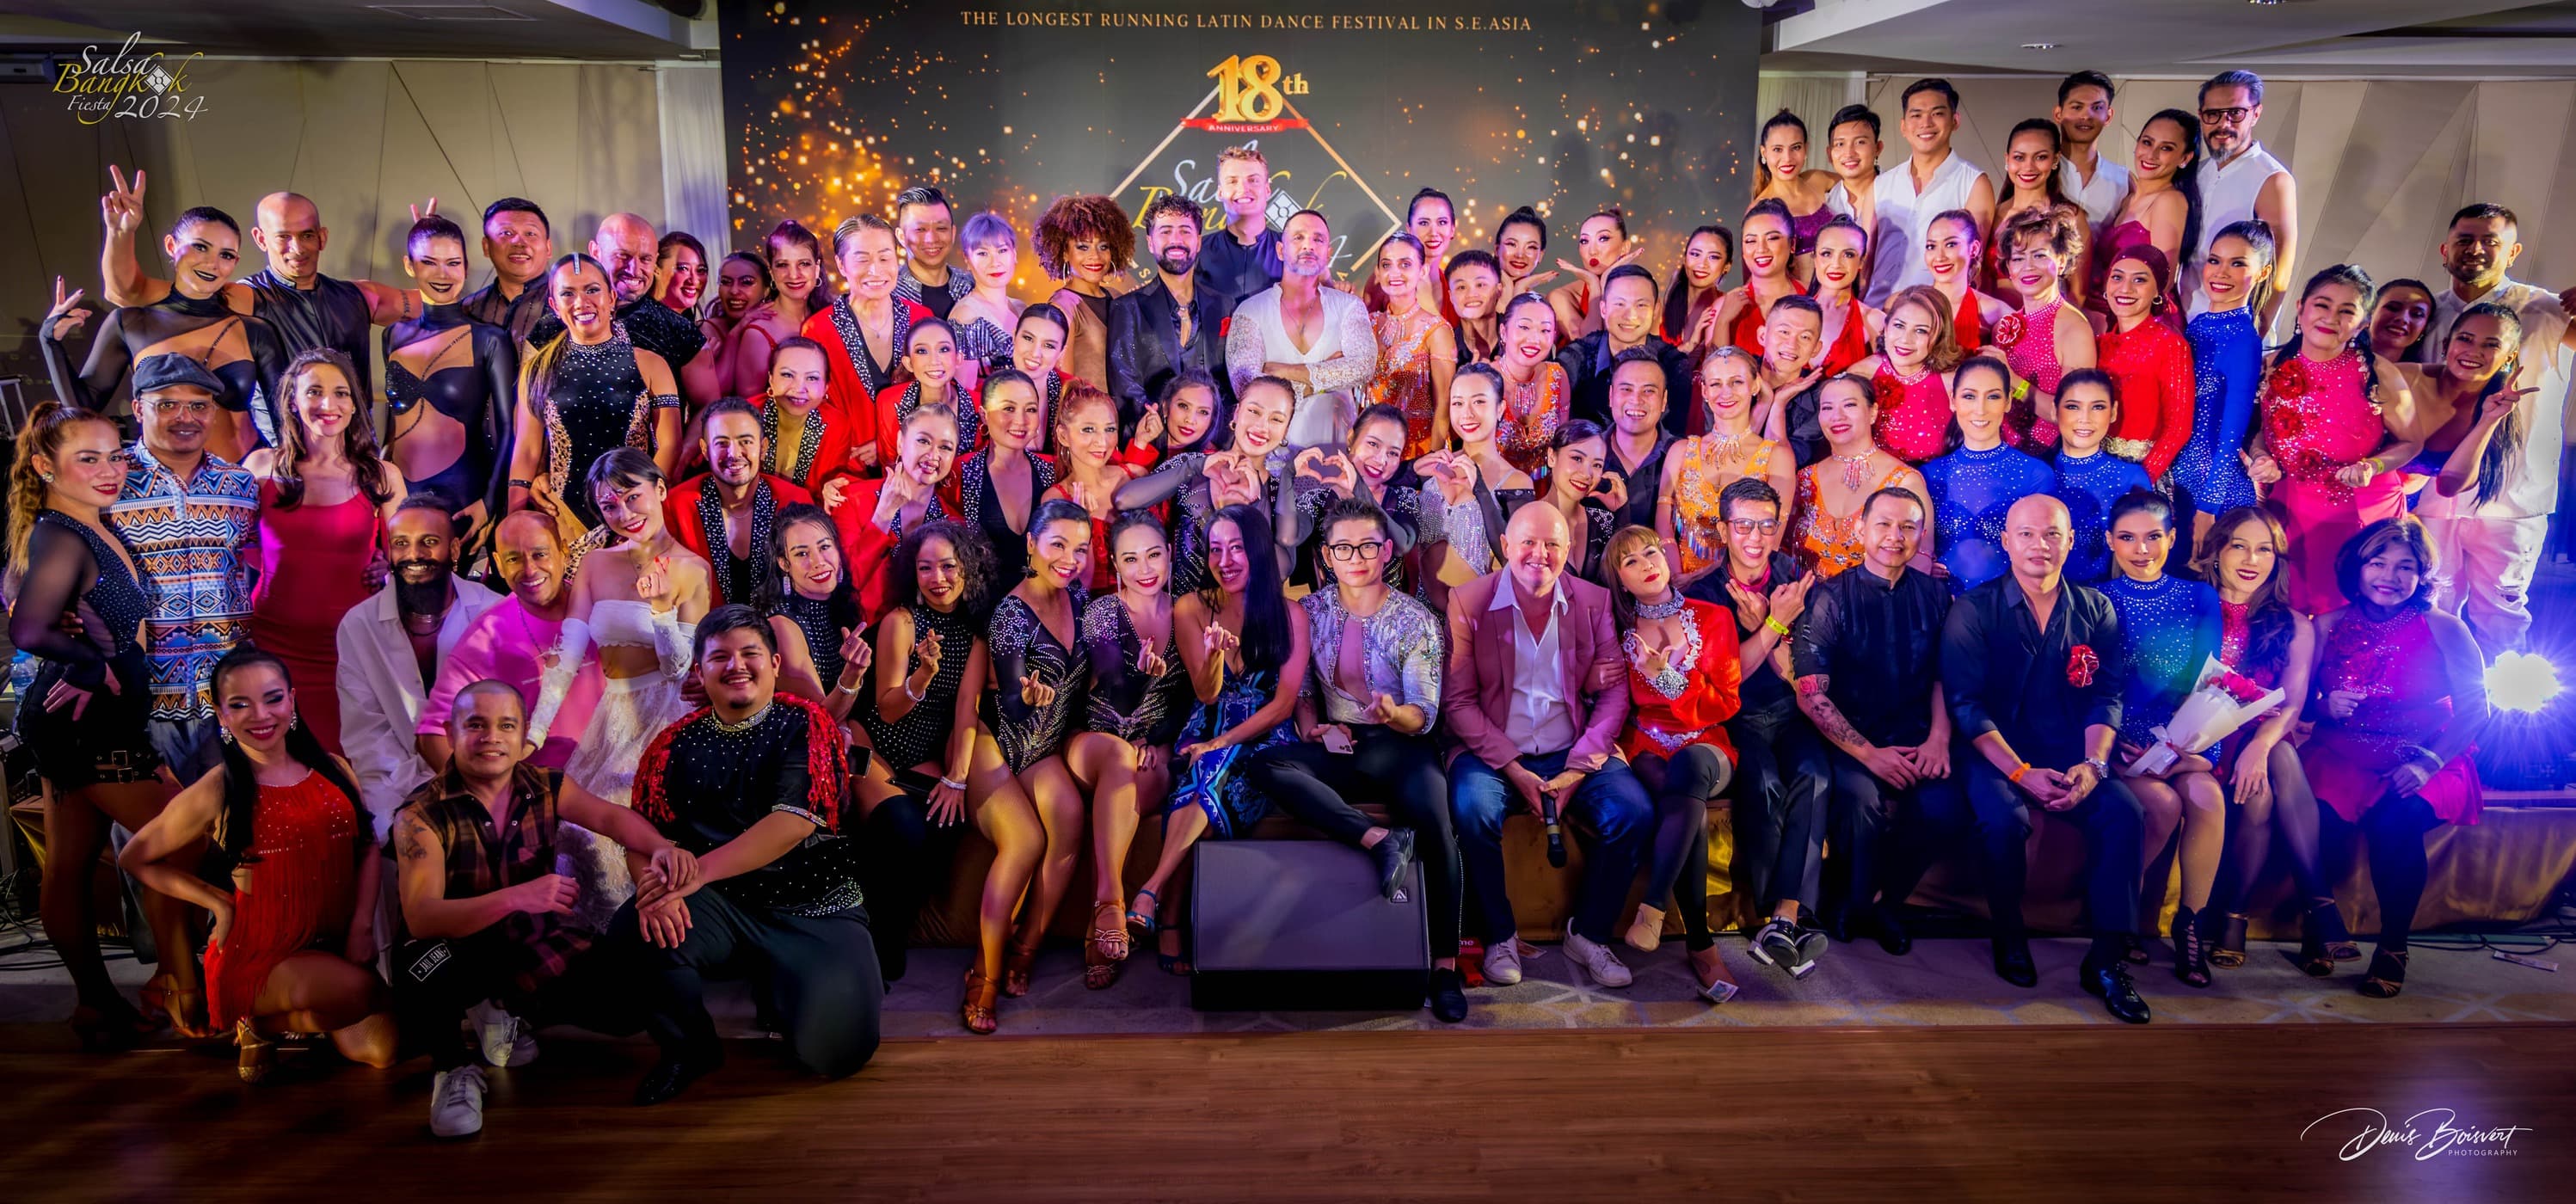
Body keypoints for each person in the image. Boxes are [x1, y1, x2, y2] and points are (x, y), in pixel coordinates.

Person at [611, 606, 882, 1103]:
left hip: (811, 909)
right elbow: (641, 834)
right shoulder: (671, 744)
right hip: (721, 906)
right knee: (636, 926)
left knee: (836, 1055)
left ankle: (785, 985)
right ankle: (690, 1049)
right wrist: (654, 890)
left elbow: (793, 821)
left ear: (775, 664)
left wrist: (694, 876)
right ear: (699, 672)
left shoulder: (806, 722)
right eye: (720, 657)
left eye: (750, 653)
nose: (736, 665)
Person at [388, 680, 678, 1137]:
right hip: (454, 947)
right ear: (450, 732)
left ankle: (503, 1008)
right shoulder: (420, 815)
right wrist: (519, 896)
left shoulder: (545, 786)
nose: (492, 738)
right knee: (418, 969)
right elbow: (423, 916)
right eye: (476, 725)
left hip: (526, 939)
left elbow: (610, 818)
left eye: (506, 726)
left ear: (525, 738)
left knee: (626, 1010)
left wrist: (661, 849)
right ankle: (453, 1069)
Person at [8, 402, 200, 1047]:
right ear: (45, 466)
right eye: (87, 458)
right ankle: (174, 985)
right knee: (182, 838)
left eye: (115, 454)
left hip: (96, 720)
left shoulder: (94, 525)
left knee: (68, 864)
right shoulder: (60, 532)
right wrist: (91, 665)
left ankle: (95, 1004)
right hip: (84, 725)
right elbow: (28, 626)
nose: (110, 469)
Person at [119, 649, 400, 1080]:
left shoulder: (333, 768)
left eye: (272, 699)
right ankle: (254, 1019)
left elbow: (365, 848)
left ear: (292, 699)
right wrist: (218, 903)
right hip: (259, 953)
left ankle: (292, 1013)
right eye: (240, 704)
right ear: (222, 714)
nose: (261, 715)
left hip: (332, 941)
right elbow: (135, 856)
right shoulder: (218, 788)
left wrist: (363, 925)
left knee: (385, 1052)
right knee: (359, 993)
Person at [1244, 498, 1467, 1020]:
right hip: (1342, 744)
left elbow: (1425, 714)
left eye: (1368, 545)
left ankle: (1446, 968)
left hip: (1402, 745)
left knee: (1437, 825)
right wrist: (1314, 727)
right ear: (1326, 556)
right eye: (1344, 548)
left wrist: (1393, 712)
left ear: (1387, 550)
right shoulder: (1312, 610)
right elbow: (1297, 691)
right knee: (1266, 765)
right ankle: (1378, 840)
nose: (1357, 557)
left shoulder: (1415, 620)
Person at [1938, 495, 2150, 1023]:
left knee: (2125, 813)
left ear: (2071, 541)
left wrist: (2094, 765)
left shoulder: (2095, 609)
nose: (2040, 546)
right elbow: (1965, 706)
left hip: (2069, 754)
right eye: (2027, 535)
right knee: (2005, 821)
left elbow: (2107, 695)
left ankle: (2105, 958)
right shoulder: (1973, 609)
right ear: (2006, 542)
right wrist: (2020, 773)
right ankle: (2008, 933)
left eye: (2052, 534)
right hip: (1994, 755)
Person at [1445, 501, 1653, 989]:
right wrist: (1515, 768)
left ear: (1567, 550)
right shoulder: (1468, 601)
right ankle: (1498, 934)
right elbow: (1458, 702)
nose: (1540, 554)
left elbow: (1615, 692)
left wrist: (1578, 770)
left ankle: (1590, 933)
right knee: (1471, 808)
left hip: (1572, 746)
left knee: (1634, 811)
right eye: (1529, 543)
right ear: (1506, 548)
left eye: (1553, 544)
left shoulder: (1593, 600)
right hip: (1494, 749)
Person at [853, 522, 1039, 1018]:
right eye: (926, 567)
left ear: (968, 570)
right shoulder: (902, 621)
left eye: (949, 566)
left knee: (943, 820)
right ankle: (875, 948)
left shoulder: (976, 633)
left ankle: (883, 930)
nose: (938, 577)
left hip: (926, 752)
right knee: (903, 826)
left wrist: (957, 778)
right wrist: (923, 674)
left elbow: (966, 709)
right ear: (912, 574)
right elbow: (888, 709)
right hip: (875, 742)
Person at [2301, 519, 2490, 999]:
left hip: (2431, 753)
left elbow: (2476, 710)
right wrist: (2325, 706)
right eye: (2378, 563)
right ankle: (2317, 926)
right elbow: (2300, 703)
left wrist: (2428, 762)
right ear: (2357, 568)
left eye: (2406, 567)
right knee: (2312, 817)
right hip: (2345, 752)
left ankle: (2392, 946)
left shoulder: (2445, 627)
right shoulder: (2326, 625)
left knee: (2395, 822)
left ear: (2423, 574)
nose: (2390, 576)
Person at [527, 449, 715, 931]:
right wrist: (533, 732)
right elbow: (568, 654)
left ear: (660, 489)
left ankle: (651, 937)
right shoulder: (593, 563)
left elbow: (679, 668)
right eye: (610, 506)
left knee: (640, 826)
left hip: (666, 715)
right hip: (612, 715)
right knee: (577, 830)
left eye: (633, 497)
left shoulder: (692, 568)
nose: (625, 514)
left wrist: (659, 610)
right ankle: (596, 944)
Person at [1129, 505, 1310, 974]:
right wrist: (1212, 658)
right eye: (1215, 549)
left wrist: (1225, 740)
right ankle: (1164, 911)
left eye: (1236, 548)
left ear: (1257, 551)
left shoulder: (1291, 614)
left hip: (1263, 739)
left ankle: (1156, 896)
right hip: (1205, 727)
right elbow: (1205, 693)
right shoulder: (1191, 607)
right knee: (1200, 775)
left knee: (1209, 774)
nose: (1225, 559)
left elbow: (1283, 704)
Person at [1792, 485, 1956, 958]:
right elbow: (1811, 696)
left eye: (1908, 526)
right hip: (1851, 741)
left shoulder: (1937, 596)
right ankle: (1855, 901)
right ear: (1860, 529)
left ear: (1922, 535)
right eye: (1883, 524)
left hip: (1918, 737)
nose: (1894, 536)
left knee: (1945, 808)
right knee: (1861, 800)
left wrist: (1939, 739)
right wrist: (1869, 754)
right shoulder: (1829, 598)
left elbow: (1948, 675)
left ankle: (1890, 902)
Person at [2409, 203, 2576, 654]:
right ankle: (2439, 713)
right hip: (2430, 494)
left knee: (2501, 618)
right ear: (2446, 249)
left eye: (2491, 241)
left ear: (2513, 252)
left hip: (2513, 497)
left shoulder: (2545, 310)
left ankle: (2499, 720)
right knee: (2428, 612)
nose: (2476, 249)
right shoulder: (2421, 312)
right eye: (2466, 239)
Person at [2193, 507, 2352, 974]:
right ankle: (2319, 907)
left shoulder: (2294, 624)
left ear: (2277, 559)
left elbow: (2293, 703)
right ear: (2217, 550)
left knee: (2267, 778)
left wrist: (2260, 747)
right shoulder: (2190, 604)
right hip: (2197, 738)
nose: (2250, 558)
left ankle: (2235, 918)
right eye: (2238, 545)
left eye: (2264, 548)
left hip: (2261, 737)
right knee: (2269, 778)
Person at [1683, 478, 1827, 969]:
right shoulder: (1703, 592)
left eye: (1767, 524)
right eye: (1743, 524)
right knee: (1763, 782)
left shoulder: (1798, 581)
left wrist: (1772, 627)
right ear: (1724, 529)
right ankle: (1772, 915)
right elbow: (1729, 678)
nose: (1755, 536)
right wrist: (1771, 624)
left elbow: (1805, 672)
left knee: (1815, 774)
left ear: (1780, 527)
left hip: (1791, 712)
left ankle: (1785, 917)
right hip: (1735, 718)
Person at [98, 186, 409, 408]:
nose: (297, 249)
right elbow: (126, 291)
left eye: (306, 236)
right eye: (284, 238)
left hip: (357, 450)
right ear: (261, 239)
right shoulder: (243, 297)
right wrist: (121, 233)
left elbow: (441, 303)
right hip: (281, 455)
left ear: (322, 237)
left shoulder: (359, 295)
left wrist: (431, 249)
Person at [106, 355, 263, 789]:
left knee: (232, 828)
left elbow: (269, 560)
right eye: (168, 404)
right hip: (142, 698)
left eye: (198, 406)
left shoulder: (242, 486)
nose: (185, 417)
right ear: (139, 408)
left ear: (213, 412)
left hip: (227, 696)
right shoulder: (108, 481)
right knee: (148, 837)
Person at [1602, 525, 1744, 999]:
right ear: (1621, 580)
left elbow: (1725, 703)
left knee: (1690, 772)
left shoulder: (1714, 617)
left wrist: (1666, 678)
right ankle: (1701, 946)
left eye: (1651, 552)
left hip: (1708, 742)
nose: (1647, 563)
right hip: (1648, 745)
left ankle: (1654, 906)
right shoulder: (1617, 634)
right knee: (1686, 807)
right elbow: (1614, 702)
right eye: (1631, 562)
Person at [245, 349, 407, 756]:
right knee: (280, 762)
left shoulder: (381, 475)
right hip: (273, 643)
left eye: (340, 393)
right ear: (292, 401)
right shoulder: (260, 467)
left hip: (352, 648)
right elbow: (231, 548)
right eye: (314, 392)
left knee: (351, 762)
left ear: (354, 405)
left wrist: (388, 567)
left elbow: (408, 557)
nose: (328, 404)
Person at [2097, 491, 2225, 986]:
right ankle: (2118, 917)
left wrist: (2192, 753)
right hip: (2120, 743)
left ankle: (2189, 926)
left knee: (2207, 796)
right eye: (2127, 538)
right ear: (2110, 541)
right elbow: (2090, 687)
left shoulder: (2198, 597)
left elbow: (2208, 683)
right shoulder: (2096, 597)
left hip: (2182, 737)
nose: (2141, 549)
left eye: (2153, 537)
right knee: (2162, 804)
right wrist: (2112, 750)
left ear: (2173, 539)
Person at [40, 207, 285, 462]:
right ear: (171, 245)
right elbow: (83, 408)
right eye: (200, 247)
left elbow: (287, 421)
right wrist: (50, 342)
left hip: (242, 483)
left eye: (226, 254)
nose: (213, 263)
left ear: (235, 262)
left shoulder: (255, 331)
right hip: (161, 488)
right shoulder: (130, 324)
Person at [2245, 264, 2419, 615]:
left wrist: (2373, 465)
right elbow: (2267, 428)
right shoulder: (2271, 364)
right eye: (2322, 305)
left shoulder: (2377, 372)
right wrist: (2261, 456)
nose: (2330, 317)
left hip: (2356, 509)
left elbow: (2412, 442)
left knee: (2344, 611)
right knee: (2285, 606)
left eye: (2347, 311)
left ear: (2363, 323)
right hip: (2289, 507)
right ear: (2301, 308)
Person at [1066, 514, 1194, 987]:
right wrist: (1144, 674)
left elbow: (1190, 699)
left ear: (1170, 553)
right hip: (1094, 742)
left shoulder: (1185, 612)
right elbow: (1117, 693)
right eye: (1131, 558)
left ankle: (1099, 924)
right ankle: (1112, 900)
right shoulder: (1102, 612)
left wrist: (1160, 741)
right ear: (1115, 565)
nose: (1145, 568)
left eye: (1154, 554)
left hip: (1152, 750)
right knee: (1121, 760)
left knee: (1147, 779)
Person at [334, 496, 504, 838]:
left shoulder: (494, 614)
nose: (414, 555)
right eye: (401, 544)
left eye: (429, 542)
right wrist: (416, 797)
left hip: (487, 781)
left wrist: (467, 789)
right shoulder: (359, 624)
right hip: (392, 787)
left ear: (455, 550)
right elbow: (366, 735)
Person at [984, 500, 1100, 993]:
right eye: (1057, 545)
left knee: (1070, 815)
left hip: (1044, 746)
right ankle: (984, 973)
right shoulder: (1011, 613)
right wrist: (1029, 698)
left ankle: (1028, 945)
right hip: (1003, 746)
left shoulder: (1081, 600)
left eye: (1081, 547)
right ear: (1031, 544)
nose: (1070, 558)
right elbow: (1009, 705)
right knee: (1026, 841)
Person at [502, 254, 684, 528]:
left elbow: (670, 444)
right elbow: (526, 450)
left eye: (592, 290)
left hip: (635, 515)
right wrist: (514, 521)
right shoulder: (538, 370)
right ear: (554, 305)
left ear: (611, 297)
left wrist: (639, 504)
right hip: (564, 518)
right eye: (567, 293)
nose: (581, 303)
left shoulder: (651, 364)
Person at [418, 511, 601, 774]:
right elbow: (433, 734)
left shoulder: (603, 605)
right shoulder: (487, 634)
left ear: (564, 551)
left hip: (622, 777)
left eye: (540, 554)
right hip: (544, 795)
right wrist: (489, 801)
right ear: (499, 565)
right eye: (514, 559)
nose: (529, 570)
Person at [382, 215, 517, 538]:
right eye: (429, 262)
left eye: (453, 263)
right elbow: (394, 419)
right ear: (409, 265)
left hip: (461, 492)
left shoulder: (489, 339)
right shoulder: (392, 335)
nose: (442, 274)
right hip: (398, 490)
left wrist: (490, 501)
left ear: (466, 268)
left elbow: (510, 428)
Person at [1114, 375, 1309, 594]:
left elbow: (1280, 570)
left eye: (1276, 419)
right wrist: (1197, 466)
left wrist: (1252, 507)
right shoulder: (1194, 467)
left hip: (1244, 623)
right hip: (1183, 618)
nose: (1262, 426)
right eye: (1254, 411)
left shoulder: (1279, 494)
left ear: (1286, 430)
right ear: (1236, 413)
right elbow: (1125, 500)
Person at [1227, 208, 1376, 450]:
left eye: (1318, 239)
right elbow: (1247, 389)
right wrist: (1328, 375)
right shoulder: (1250, 311)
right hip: (1268, 462)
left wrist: (1283, 372)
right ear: (1280, 250)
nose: (1308, 246)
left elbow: (1363, 367)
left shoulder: (1349, 306)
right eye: (1298, 238)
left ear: (1328, 253)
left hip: (1333, 458)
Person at [2170, 220, 2276, 545]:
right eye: (2215, 260)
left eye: (2238, 263)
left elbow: (2232, 432)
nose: (2221, 272)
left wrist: (2208, 506)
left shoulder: (2244, 338)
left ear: (2262, 273)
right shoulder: (2200, 324)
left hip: (2214, 491)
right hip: (2181, 478)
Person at [804, 214, 932, 463]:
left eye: (885, 258)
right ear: (841, 265)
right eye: (862, 259)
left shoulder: (921, 319)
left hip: (916, 465)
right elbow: (813, 409)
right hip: (846, 468)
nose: (876, 270)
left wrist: (889, 443)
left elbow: (937, 397)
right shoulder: (818, 330)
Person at [665, 400, 816, 609]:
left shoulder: (795, 500)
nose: (734, 454)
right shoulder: (676, 504)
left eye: (745, 441)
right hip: (704, 632)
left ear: (763, 448)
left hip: (781, 631)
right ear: (705, 449)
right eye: (722, 443)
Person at [1924, 356, 2057, 593]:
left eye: (1993, 397)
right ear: (1953, 401)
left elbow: (2045, 557)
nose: (1981, 409)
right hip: (1944, 606)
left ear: (2008, 402)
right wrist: (1924, 564)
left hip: (2012, 607)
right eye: (1969, 396)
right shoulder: (1930, 475)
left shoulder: (2035, 474)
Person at [1659, 348, 1792, 584]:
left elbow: (1772, 536)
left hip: (1744, 587)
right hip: (1679, 583)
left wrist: (1710, 578)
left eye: (1736, 382)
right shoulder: (1680, 450)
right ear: (1704, 391)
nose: (1725, 393)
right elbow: (1663, 522)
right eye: (1716, 384)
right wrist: (1678, 577)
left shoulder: (1777, 456)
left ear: (1755, 386)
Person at [1863, 79, 1995, 306]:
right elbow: (1866, 257)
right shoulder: (1881, 184)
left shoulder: (1973, 182)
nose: (1926, 123)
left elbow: (1974, 264)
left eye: (1937, 113)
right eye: (1916, 115)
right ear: (1903, 126)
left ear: (1955, 121)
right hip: (1877, 310)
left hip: (1936, 316)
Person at [1416, 366, 1540, 600]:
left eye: (1479, 402)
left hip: (1475, 617)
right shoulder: (1432, 468)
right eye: (1458, 403)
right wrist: (1412, 471)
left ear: (1500, 408)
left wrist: (1481, 491)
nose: (1467, 414)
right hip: (1422, 620)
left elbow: (1515, 558)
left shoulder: (1515, 482)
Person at [524, 213, 708, 370]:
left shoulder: (679, 329)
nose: (634, 270)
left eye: (645, 259)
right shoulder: (553, 324)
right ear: (595, 252)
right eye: (623, 256)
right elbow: (526, 400)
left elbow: (707, 406)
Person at [1111, 194, 1234, 426]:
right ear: (1150, 242)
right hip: (1152, 445)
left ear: (1198, 241)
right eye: (1166, 231)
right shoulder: (1127, 308)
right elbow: (1126, 387)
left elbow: (1231, 381)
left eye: (1185, 231)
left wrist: (1216, 436)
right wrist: (1162, 431)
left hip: (1213, 446)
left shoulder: (1225, 306)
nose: (1176, 240)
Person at [836, 403, 962, 624]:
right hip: (856, 636)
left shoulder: (953, 522)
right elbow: (843, 583)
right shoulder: (851, 498)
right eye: (923, 441)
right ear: (900, 443)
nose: (933, 455)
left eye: (945, 447)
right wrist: (883, 516)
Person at [1794, 374, 1931, 578]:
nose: (1837, 416)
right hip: (1806, 605)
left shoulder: (1904, 481)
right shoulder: (1806, 479)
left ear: (1873, 412)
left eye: (1849, 405)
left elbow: (1921, 562)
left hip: (1876, 605)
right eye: (1827, 408)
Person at [2191, 71, 2298, 324]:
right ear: (2201, 116)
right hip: (2188, 319)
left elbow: (2278, 273)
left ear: (2256, 114)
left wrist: (2254, 333)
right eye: (2213, 114)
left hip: (2235, 326)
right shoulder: (2199, 172)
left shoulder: (2272, 179)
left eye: (2235, 113)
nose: (2223, 124)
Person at [1993, 206, 2098, 448]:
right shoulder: (2008, 323)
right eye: (2018, 258)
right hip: (2003, 448)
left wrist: (2013, 382)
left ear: (2061, 261)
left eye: (2040, 255)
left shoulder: (2074, 328)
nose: (2028, 267)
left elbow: (2069, 415)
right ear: (2009, 268)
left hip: (2047, 456)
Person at [756, 504, 870, 720]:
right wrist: (852, 675)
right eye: (802, 554)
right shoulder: (781, 624)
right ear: (784, 564)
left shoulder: (842, 603)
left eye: (825, 547)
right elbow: (819, 721)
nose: (818, 562)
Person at [2093, 249, 2195, 483]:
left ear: (2158, 291)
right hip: (2095, 467)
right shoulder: (2099, 343)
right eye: (2117, 277)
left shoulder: (2170, 345)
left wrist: (2140, 481)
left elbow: (2178, 428)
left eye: (2139, 279)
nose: (2125, 288)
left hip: (2141, 472)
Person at [2050, 369, 2155, 584]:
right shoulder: (2036, 474)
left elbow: (2144, 559)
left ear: (2113, 412)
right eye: (2073, 407)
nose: (2085, 419)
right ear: (2055, 411)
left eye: (2097, 407)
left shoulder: (2130, 479)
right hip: (2039, 602)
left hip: (2107, 604)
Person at [1042, 384, 1150, 592]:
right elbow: (1077, 586)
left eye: (1109, 429)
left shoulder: (1135, 474)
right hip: (1096, 613)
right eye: (1088, 429)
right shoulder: (1056, 499)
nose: (1102, 441)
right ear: (1064, 436)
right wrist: (1082, 527)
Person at [1560, 264, 1689, 437]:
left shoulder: (1673, 364)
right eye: (1620, 304)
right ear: (1604, 309)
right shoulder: (1576, 358)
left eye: (1641, 305)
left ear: (1656, 309)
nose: (1630, 316)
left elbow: (1675, 435)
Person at [2093, 110, 2199, 320]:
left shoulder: (2169, 200)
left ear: (2185, 158)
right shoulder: (2128, 196)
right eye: (2147, 142)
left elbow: (2163, 278)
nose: (2151, 155)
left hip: (2142, 320)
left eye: (2166, 148)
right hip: (2115, 312)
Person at [1364, 233, 1459, 457]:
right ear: (1378, 272)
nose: (1394, 273)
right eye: (1387, 265)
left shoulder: (1437, 330)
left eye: (1405, 264)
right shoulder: (1368, 324)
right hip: (1369, 452)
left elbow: (1443, 406)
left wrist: (1431, 463)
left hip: (1417, 453)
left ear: (1422, 271)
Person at [1983, 120, 2093, 309]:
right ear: (2007, 159)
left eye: (2040, 157)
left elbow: (2078, 294)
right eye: (2019, 157)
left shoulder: (2070, 217)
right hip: (1992, 324)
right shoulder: (1993, 214)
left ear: (2056, 160)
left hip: (2044, 326)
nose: (2028, 167)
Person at [1036, 194, 1137, 390]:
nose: (1095, 256)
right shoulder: (1063, 306)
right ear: (1064, 252)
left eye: (1103, 247)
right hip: (1088, 419)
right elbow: (1065, 385)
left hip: (1125, 417)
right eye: (1083, 247)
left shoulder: (1116, 296)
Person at [1852, 286, 1964, 464]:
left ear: (1940, 337)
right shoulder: (1860, 376)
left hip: (1935, 487)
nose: (1905, 340)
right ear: (1886, 328)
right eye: (1899, 326)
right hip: (1871, 485)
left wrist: (2021, 387)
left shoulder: (1954, 383)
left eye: (1921, 331)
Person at [729, 219, 836, 402]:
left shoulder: (832, 317)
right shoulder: (758, 333)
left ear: (817, 268)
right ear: (771, 271)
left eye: (803, 264)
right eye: (782, 265)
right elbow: (751, 408)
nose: (794, 275)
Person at [748, 335, 865, 499]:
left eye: (812, 378)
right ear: (771, 379)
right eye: (788, 375)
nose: (799, 388)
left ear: (826, 387)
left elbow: (828, 487)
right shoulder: (746, 416)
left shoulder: (836, 426)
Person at [871, 317, 980, 465]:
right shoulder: (890, 402)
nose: (934, 361)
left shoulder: (981, 406)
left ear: (958, 359)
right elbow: (890, 465)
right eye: (922, 351)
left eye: (944, 349)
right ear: (909, 363)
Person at [1706, 201, 1805, 361]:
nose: (1761, 249)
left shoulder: (1813, 297)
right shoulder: (1722, 307)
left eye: (1772, 238)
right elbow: (1713, 373)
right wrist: (1723, 321)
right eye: (1751, 241)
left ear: (1792, 244)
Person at [1489, 292, 1573, 474]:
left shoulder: (1558, 376)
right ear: (1504, 331)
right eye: (1524, 327)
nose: (1534, 339)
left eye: (1545, 330)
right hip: (1493, 490)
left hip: (1547, 490)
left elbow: (1563, 445)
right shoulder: (1485, 379)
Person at [1749, 108, 1841, 276]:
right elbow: (1755, 276)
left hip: (1839, 293)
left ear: (1806, 149)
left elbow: (1860, 183)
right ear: (1764, 153)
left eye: (1795, 147)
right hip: (1797, 300)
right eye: (1777, 149)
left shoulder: (1818, 179)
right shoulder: (1760, 210)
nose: (1787, 158)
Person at [1820, 104, 1897, 299]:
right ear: (1829, 154)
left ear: (1878, 148)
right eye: (1840, 144)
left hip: (1892, 307)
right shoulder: (1825, 205)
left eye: (1860, 142)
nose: (1849, 153)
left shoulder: (1899, 197)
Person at [1597, 350, 1680, 530]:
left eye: (1649, 390)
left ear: (1664, 400)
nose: (1636, 399)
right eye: (1626, 389)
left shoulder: (1684, 457)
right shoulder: (1587, 454)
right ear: (1611, 396)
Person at [1749, 294, 1834, 467]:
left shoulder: (1822, 399)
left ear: (1816, 349)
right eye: (1784, 332)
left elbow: (1779, 466)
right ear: (1762, 335)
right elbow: (1726, 454)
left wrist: (1778, 404)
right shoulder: (1735, 377)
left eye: (1805, 337)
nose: (1792, 344)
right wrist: (1764, 403)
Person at [1198, 144, 1285, 307]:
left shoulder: (1290, 250)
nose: (1243, 188)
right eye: (1232, 181)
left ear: (1267, 190)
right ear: (1220, 192)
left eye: (1253, 180)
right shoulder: (1197, 251)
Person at [462, 197, 556, 345]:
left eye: (530, 234)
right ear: (486, 247)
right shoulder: (467, 310)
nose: (519, 243)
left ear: (548, 248)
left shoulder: (573, 304)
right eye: (506, 233)